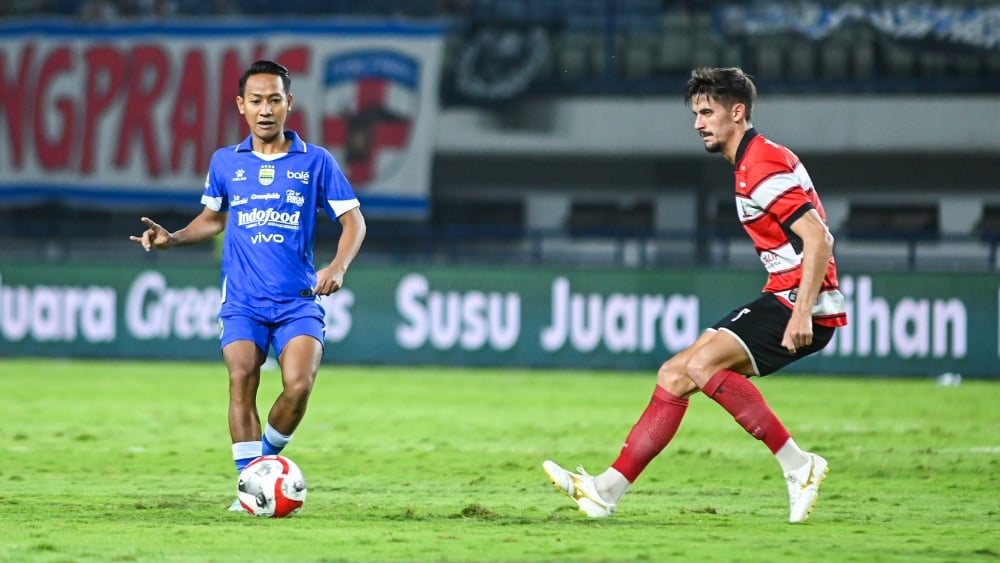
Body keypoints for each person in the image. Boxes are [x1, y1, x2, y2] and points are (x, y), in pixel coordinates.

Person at [542, 67, 847, 524]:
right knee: (674, 374)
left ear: (737, 112)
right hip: (784, 295)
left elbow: (819, 238)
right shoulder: (756, 159)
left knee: (702, 366)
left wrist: (803, 312)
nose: (698, 123)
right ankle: (605, 491)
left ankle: (798, 465)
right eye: (695, 114)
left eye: (707, 112)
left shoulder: (760, 164)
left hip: (798, 302)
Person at [130, 60, 366, 511]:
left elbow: (354, 221)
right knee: (242, 377)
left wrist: (338, 266)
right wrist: (173, 238)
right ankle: (251, 488)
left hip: (297, 299)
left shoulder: (316, 161)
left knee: (298, 386)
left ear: (289, 103)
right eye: (256, 100)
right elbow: (213, 219)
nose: (265, 109)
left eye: (274, 99)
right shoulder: (226, 162)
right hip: (242, 300)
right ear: (241, 105)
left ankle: (263, 467)